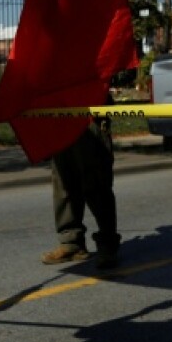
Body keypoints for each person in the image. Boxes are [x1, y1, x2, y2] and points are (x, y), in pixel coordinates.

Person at [40, 114, 119, 270]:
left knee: (96, 184)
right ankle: (71, 242)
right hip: (59, 117)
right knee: (63, 182)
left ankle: (107, 244)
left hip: (88, 115)